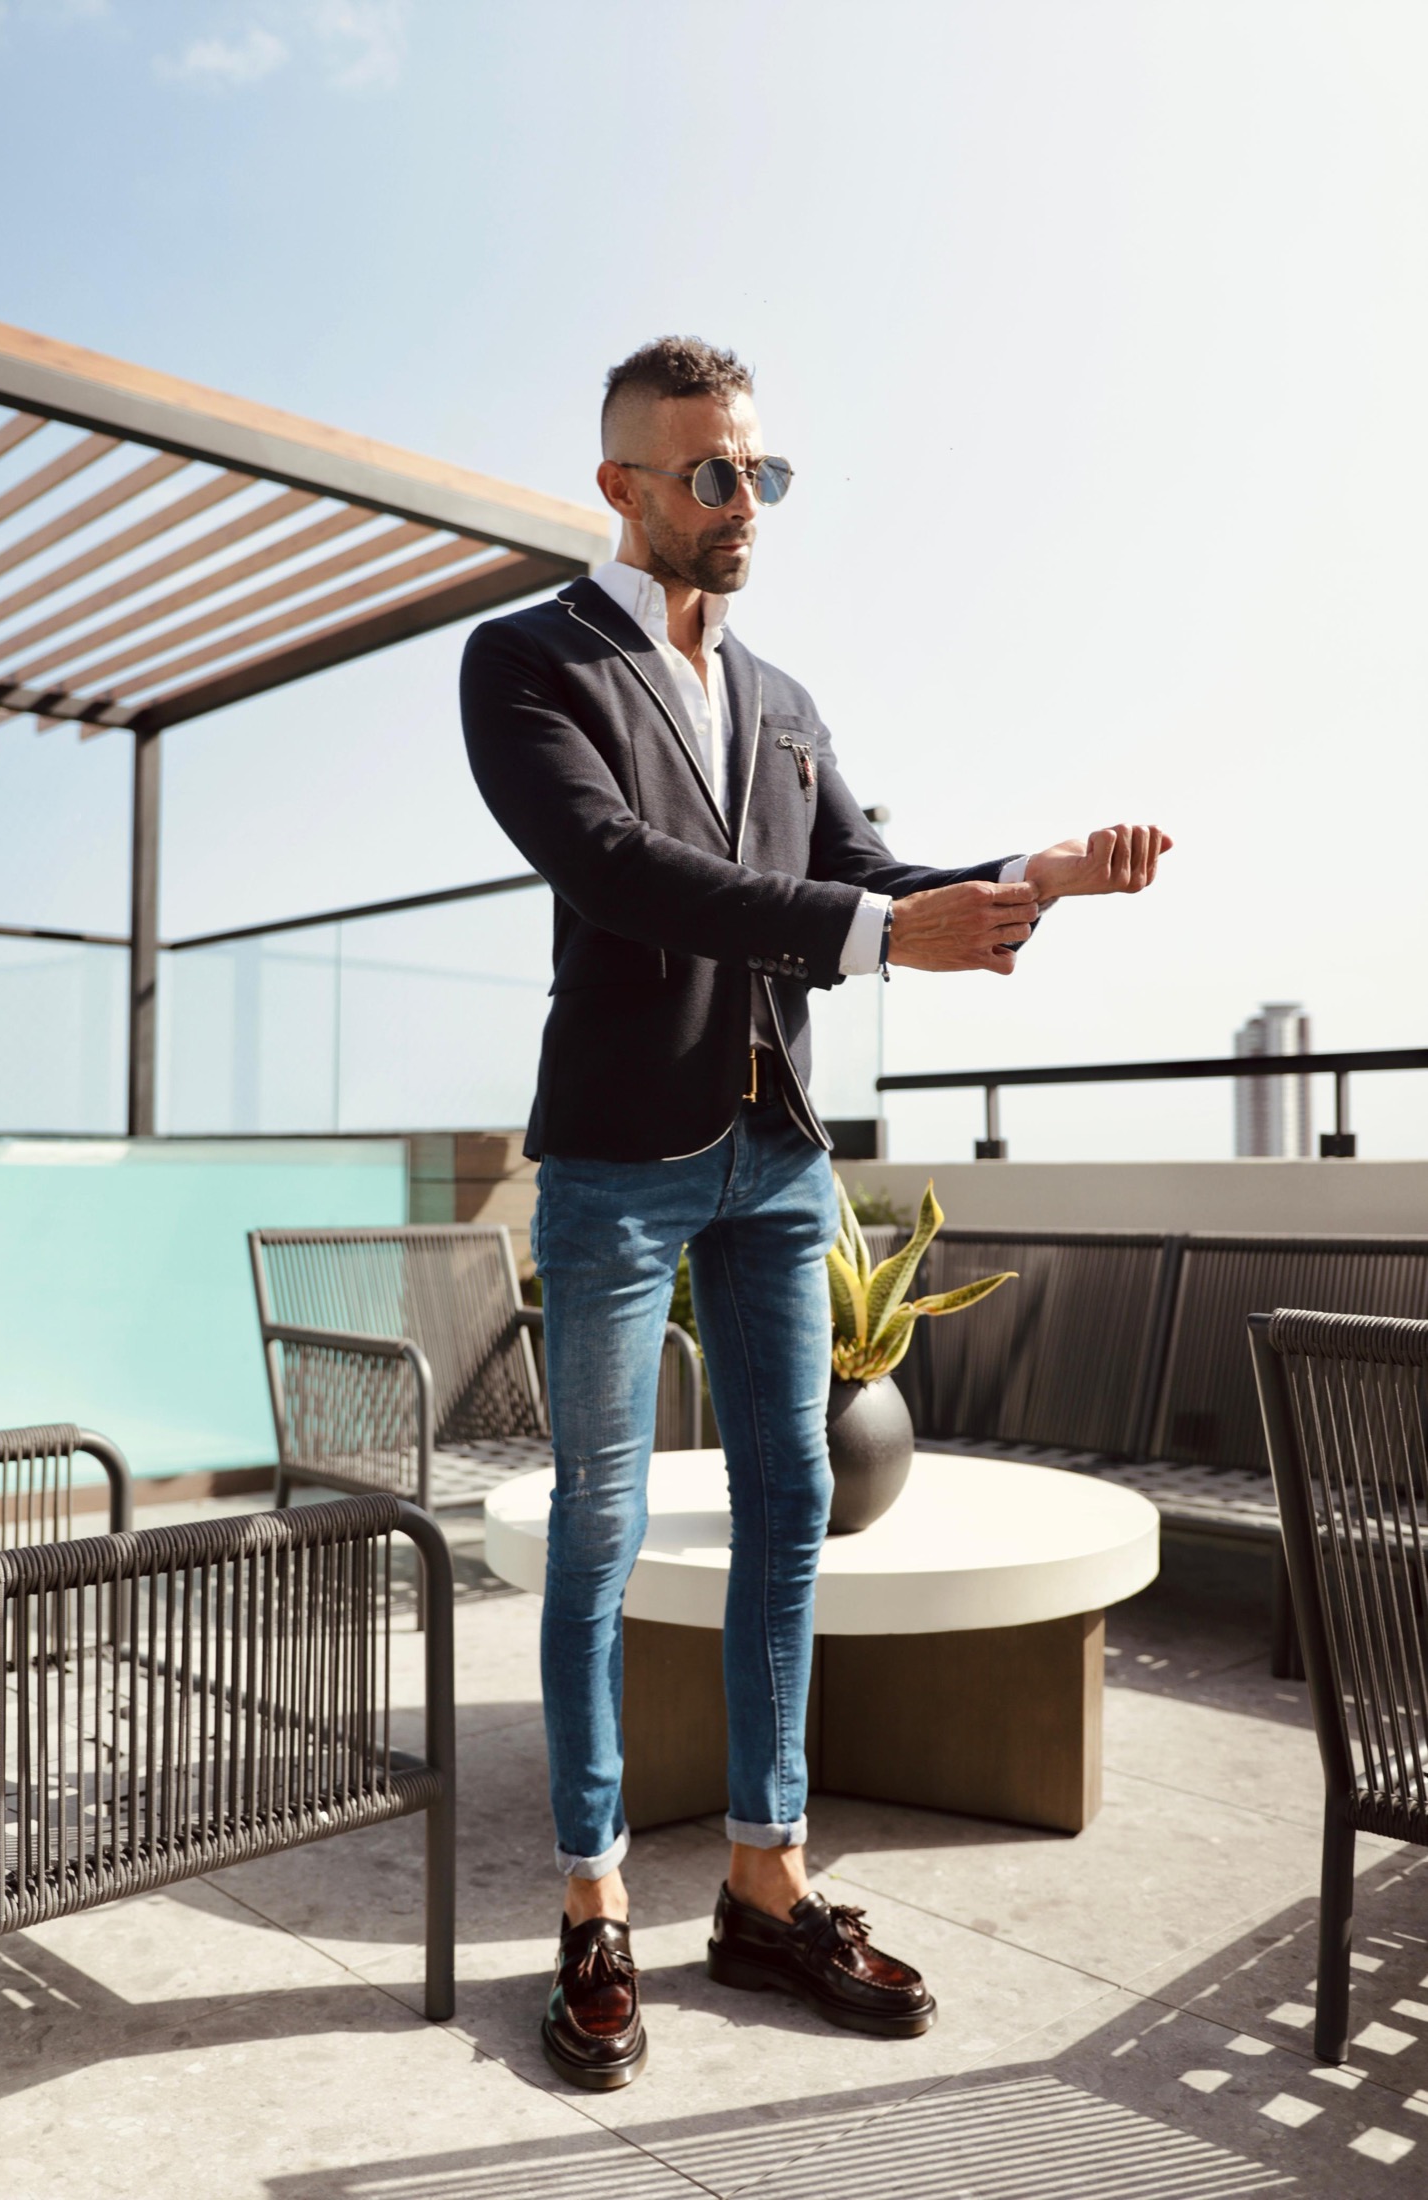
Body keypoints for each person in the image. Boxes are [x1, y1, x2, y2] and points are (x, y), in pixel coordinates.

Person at [460, 336, 1170, 2090]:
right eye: (709, 473)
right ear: (622, 484)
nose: (743, 502)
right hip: (621, 1159)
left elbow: (863, 870)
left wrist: (1025, 882)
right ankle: (594, 1899)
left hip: (776, 1152)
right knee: (607, 1526)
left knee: (789, 1508)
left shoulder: (781, 696)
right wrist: (871, 935)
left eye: (761, 473)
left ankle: (768, 1887)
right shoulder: (525, 662)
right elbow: (622, 872)